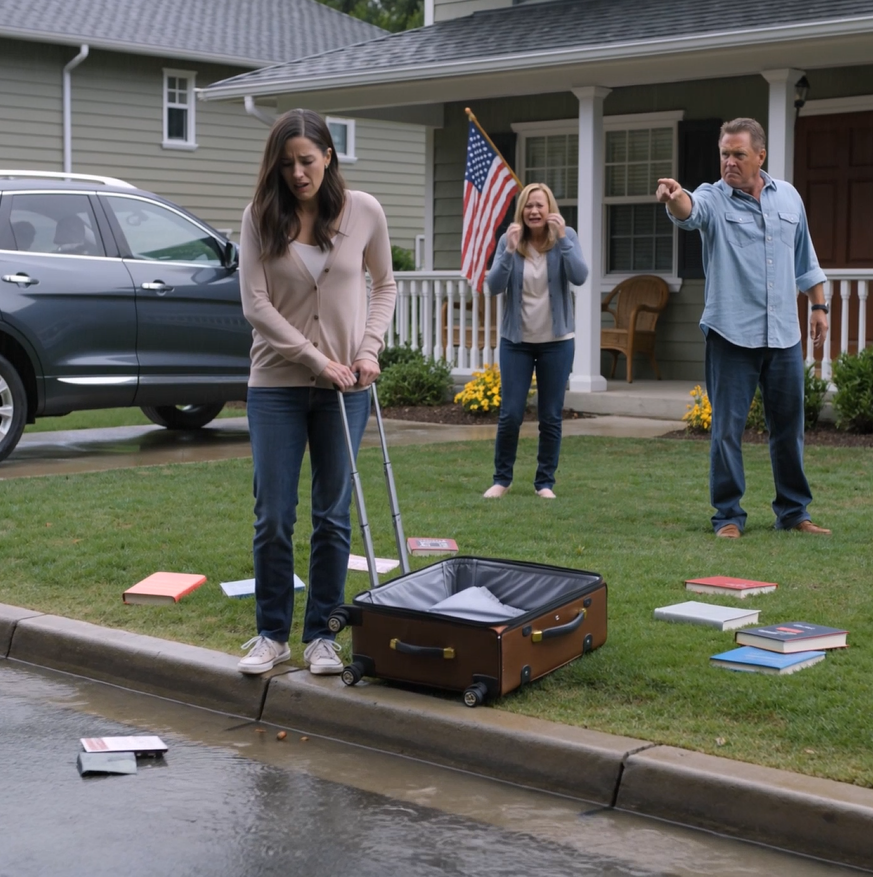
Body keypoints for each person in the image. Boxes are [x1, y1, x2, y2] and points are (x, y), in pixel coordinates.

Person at [237, 108, 397, 675]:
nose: (298, 174)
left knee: (333, 514)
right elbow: (255, 305)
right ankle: (271, 635)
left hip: (345, 388)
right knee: (274, 516)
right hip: (276, 385)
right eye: (286, 165)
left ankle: (323, 635)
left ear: (329, 156)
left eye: (306, 161)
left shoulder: (364, 212)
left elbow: (386, 285)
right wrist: (313, 359)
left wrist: (368, 349)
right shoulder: (260, 217)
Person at [656, 117, 830, 538]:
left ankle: (794, 512)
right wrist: (674, 197)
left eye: (738, 154)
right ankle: (728, 516)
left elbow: (806, 258)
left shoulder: (788, 198)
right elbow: (689, 213)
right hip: (731, 333)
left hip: (784, 335)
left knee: (789, 430)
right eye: (724, 154)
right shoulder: (713, 198)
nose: (729, 162)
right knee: (727, 432)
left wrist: (819, 306)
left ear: (760, 156)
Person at [483, 182, 588, 499]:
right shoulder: (509, 240)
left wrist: (565, 241)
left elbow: (580, 276)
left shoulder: (566, 238)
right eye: (529, 206)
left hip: (557, 341)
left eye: (540, 205)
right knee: (511, 414)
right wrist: (510, 251)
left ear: (550, 209)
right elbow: (494, 285)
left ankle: (545, 483)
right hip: (517, 341)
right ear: (522, 211)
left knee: (551, 415)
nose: (534, 211)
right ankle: (502, 479)